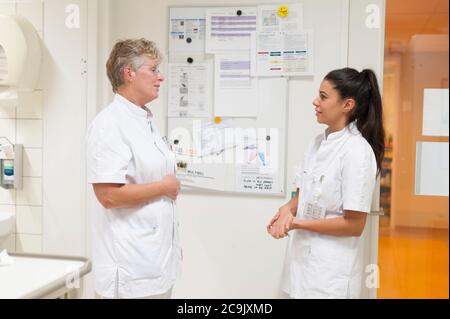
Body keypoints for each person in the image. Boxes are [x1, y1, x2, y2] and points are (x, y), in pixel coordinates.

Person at [267, 67, 385, 299]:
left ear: (347, 105)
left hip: (330, 276)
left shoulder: (357, 152)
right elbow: (305, 193)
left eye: (323, 96)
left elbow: (354, 225)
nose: (315, 102)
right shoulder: (317, 143)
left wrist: (297, 224)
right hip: (302, 265)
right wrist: (285, 210)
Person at [87, 38, 182, 299]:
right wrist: (164, 187)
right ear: (129, 73)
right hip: (130, 272)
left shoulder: (144, 119)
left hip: (155, 264)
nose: (160, 77)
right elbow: (108, 196)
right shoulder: (109, 124)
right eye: (153, 69)